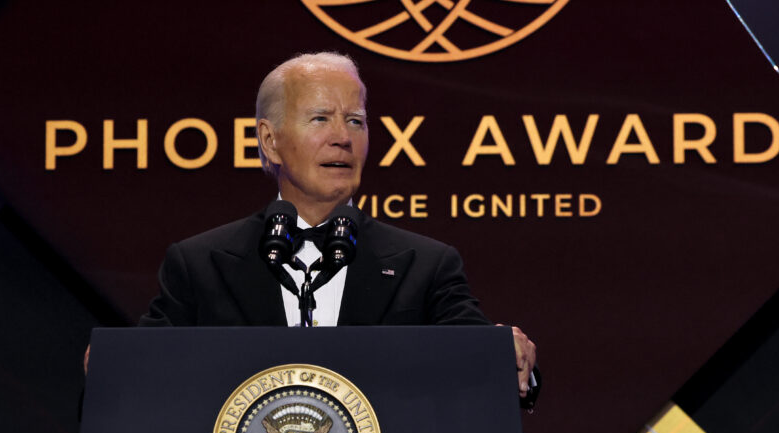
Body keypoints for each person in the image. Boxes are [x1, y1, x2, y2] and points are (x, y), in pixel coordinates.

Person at [136, 52, 538, 406]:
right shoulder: (200, 265)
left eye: (355, 121)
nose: (342, 138)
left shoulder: (426, 266)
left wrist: (506, 354)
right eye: (320, 119)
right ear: (270, 140)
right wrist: (110, 367)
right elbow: (137, 377)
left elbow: (480, 363)